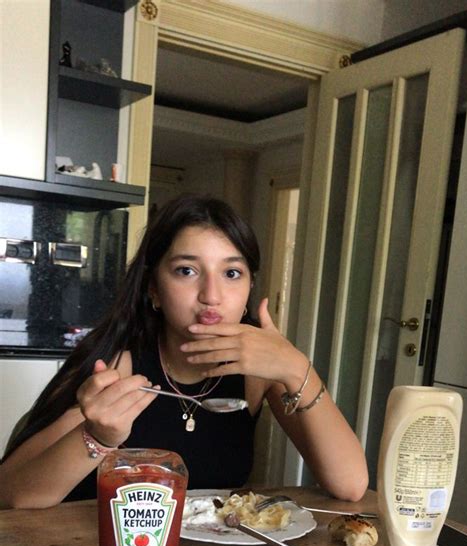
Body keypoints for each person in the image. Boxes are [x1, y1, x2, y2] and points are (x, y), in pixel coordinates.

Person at [0, 194, 368, 509]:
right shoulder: (117, 364)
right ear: (153, 289)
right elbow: (11, 493)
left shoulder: (259, 372)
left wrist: (295, 366)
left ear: (249, 288)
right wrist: (97, 437)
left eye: (232, 273)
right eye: (187, 270)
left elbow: (350, 484)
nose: (211, 294)